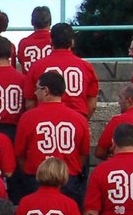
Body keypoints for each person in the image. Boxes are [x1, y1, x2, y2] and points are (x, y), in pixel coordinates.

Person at [12, 70, 90, 203]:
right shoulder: (79, 119)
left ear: (46, 90)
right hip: (69, 178)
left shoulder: (28, 117)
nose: (35, 93)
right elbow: (83, 155)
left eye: (37, 88)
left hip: (37, 178)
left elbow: (20, 154)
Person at [24, 23, 98, 117]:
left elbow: (30, 103)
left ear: (51, 41)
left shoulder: (36, 66)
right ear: (72, 42)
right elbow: (92, 105)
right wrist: (81, 121)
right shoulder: (86, 67)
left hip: (45, 120)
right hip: (75, 120)